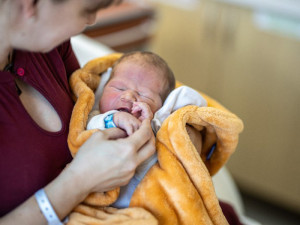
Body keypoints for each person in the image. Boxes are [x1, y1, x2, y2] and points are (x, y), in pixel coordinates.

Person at [0, 1, 156, 224]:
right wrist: (80, 181)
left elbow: (93, 99)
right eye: (88, 10)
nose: (91, 20)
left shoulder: (49, 45)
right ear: (30, 4)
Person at [86, 51, 208, 208]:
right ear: (103, 89)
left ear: (161, 108)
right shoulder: (97, 116)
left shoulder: (157, 131)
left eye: (145, 95)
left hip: (141, 207)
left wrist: (149, 133)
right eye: (118, 87)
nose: (128, 96)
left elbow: (161, 173)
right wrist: (113, 119)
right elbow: (89, 128)